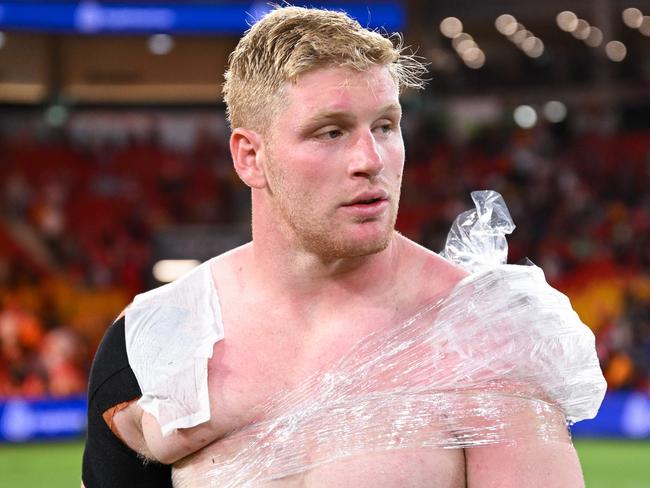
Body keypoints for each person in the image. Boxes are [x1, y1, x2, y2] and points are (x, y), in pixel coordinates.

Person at [82, 6, 590, 487]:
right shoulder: (153, 341)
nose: (371, 159)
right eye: (331, 132)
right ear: (250, 157)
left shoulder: (486, 340)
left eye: (386, 126)